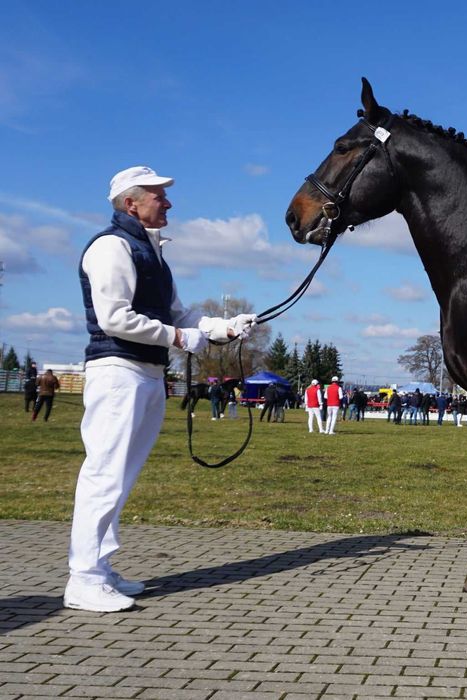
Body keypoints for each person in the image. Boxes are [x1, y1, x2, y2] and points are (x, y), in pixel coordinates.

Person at [67, 165, 256, 613]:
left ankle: (100, 569)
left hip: (147, 373)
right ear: (131, 204)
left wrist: (223, 328)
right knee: (105, 474)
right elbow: (115, 318)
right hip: (118, 371)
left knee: (121, 476)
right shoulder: (112, 247)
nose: (168, 202)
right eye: (158, 195)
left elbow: (179, 315)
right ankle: (84, 578)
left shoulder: (151, 254)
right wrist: (178, 338)